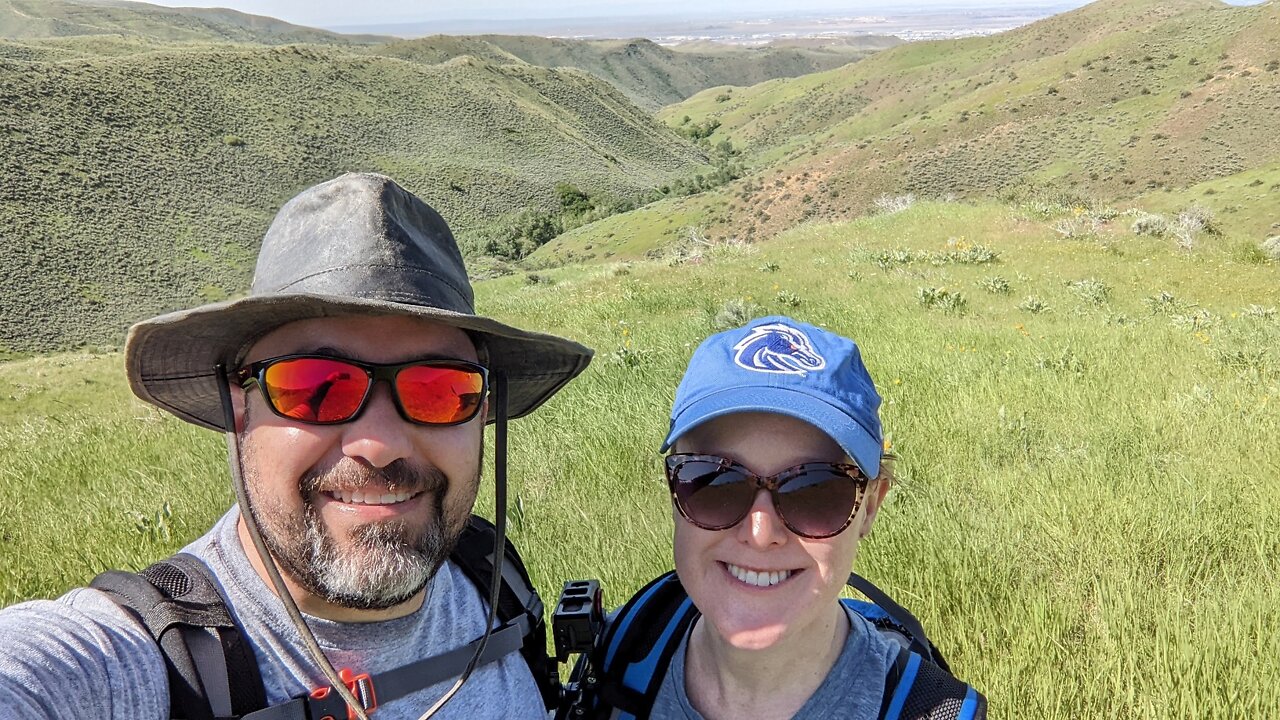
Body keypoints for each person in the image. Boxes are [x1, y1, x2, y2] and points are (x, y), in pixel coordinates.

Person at [0, 173, 593, 720]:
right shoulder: (130, 664)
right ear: (239, 403)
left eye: (438, 389)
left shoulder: (494, 582)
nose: (380, 444)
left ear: (483, 409)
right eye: (314, 388)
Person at [564, 317, 985, 720]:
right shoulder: (620, 649)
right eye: (715, 482)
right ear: (675, 491)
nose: (760, 533)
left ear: (869, 507)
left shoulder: (930, 712)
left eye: (816, 490)